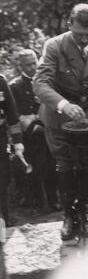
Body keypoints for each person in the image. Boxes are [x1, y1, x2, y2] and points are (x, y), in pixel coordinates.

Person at [33, 4, 88, 240]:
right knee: (65, 166)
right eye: (79, 34)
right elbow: (40, 84)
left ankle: (81, 213)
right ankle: (69, 216)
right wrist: (63, 105)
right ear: (69, 25)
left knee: (87, 166)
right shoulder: (54, 46)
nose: (83, 39)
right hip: (59, 116)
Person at [10, 49, 60, 212]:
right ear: (20, 66)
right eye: (28, 64)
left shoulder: (48, 82)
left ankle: (54, 200)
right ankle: (39, 203)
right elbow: (14, 114)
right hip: (31, 136)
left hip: (50, 130)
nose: (32, 67)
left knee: (53, 166)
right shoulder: (15, 86)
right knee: (35, 169)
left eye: (34, 63)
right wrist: (29, 123)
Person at [0, 74, 24, 225]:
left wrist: (17, 141)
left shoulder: (0, 81)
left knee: (2, 180)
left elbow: (11, 113)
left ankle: (4, 218)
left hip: (0, 139)